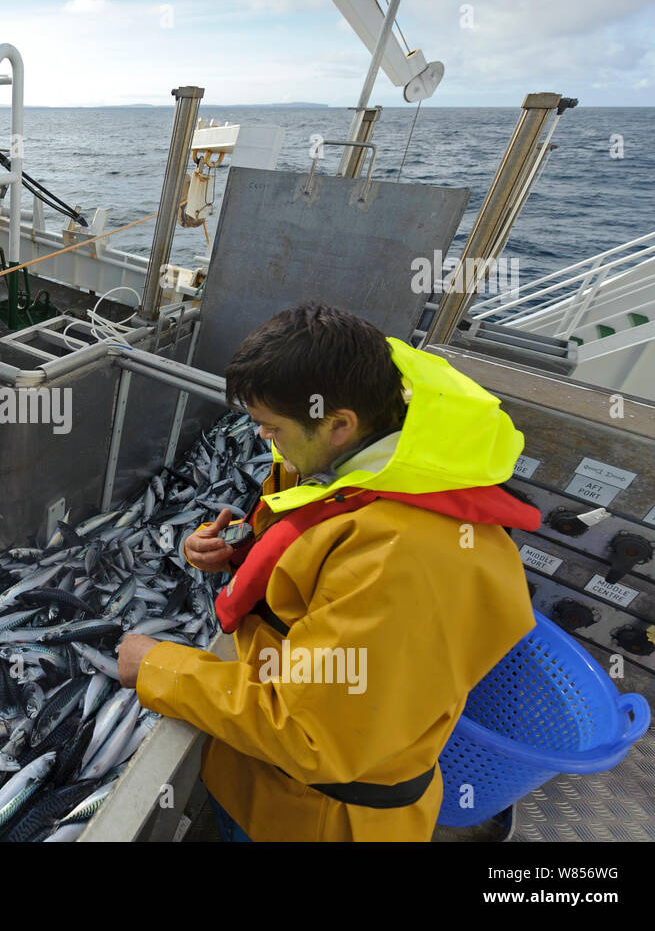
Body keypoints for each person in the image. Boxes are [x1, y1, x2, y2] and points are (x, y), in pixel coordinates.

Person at [116, 302, 540, 841]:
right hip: (259, 778)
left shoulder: (402, 561)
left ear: (339, 423)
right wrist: (241, 555)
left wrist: (158, 668)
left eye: (273, 428)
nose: (267, 442)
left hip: (309, 819)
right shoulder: (373, 461)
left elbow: (312, 735)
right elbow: (321, 559)